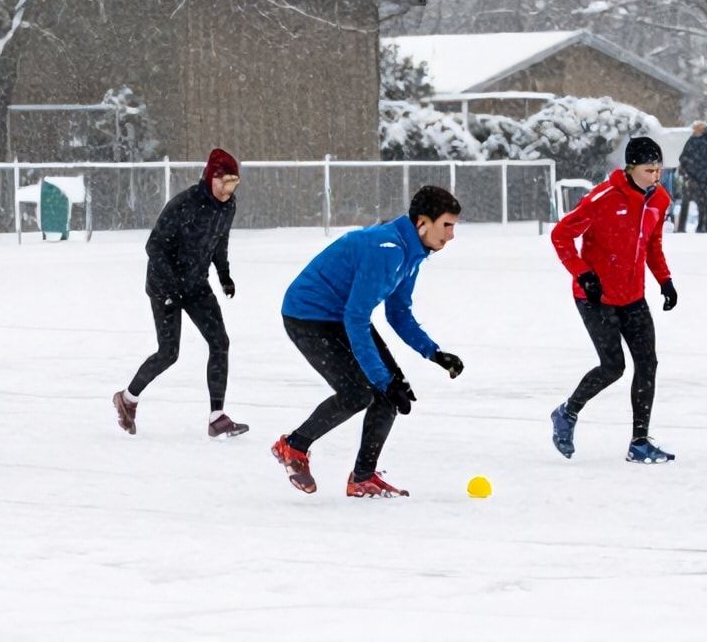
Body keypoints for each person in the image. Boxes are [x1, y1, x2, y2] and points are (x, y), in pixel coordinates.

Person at [270, 185, 466, 498]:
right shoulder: (387, 249)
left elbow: (398, 313)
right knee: (358, 393)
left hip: (342, 315)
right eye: (446, 225)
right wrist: (381, 379)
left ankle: (362, 478)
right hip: (307, 316)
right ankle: (293, 446)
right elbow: (356, 317)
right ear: (422, 223)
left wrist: (434, 353)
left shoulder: (412, 252)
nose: (451, 235)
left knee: (391, 394)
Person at [548, 136, 680, 463]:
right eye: (649, 170)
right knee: (613, 367)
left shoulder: (659, 199)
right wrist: (583, 274)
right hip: (595, 297)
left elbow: (652, 244)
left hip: (633, 296)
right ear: (630, 168)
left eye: (659, 170)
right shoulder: (603, 198)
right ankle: (567, 412)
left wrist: (665, 281)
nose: (656, 177)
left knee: (647, 364)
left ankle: (639, 443)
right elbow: (561, 235)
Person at [113, 148, 246, 438]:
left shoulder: (228, 207)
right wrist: (171, 288)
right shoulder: (185, 203)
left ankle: (217, 417)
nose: (228, 190)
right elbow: (154, 246)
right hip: (165, 286)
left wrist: (224, 276)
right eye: (224, 182)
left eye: (234, 183)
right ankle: (127, 398)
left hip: (196, 284)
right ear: (211, 178)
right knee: (168, 353)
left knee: (219, 342)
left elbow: (220, 241)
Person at [676, 121, 707, 233]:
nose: (693, 131)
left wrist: (688, 169)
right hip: (705, 177)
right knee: (705, 201)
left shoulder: (694, 141)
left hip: (695, 177)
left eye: (695, 129)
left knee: (692, 201)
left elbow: (683, 158)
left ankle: (687, 227)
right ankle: (705, 225)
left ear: (701, 130)